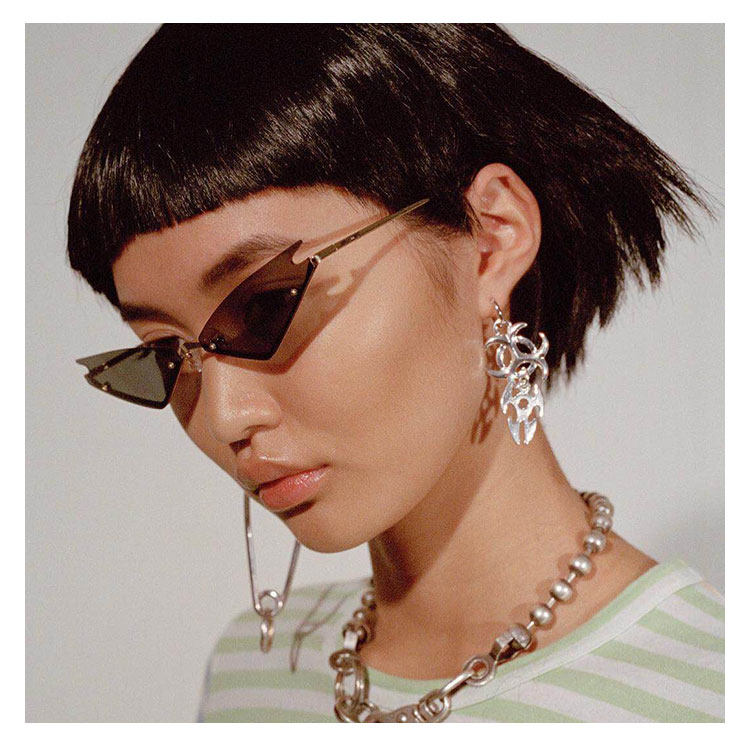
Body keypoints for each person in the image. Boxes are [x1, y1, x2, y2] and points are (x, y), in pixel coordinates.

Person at [67, 24, 724, 723]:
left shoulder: (703, 691)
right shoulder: (250, 675)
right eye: (167, 354)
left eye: (265, 308)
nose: (224, 415)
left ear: (490, 238)